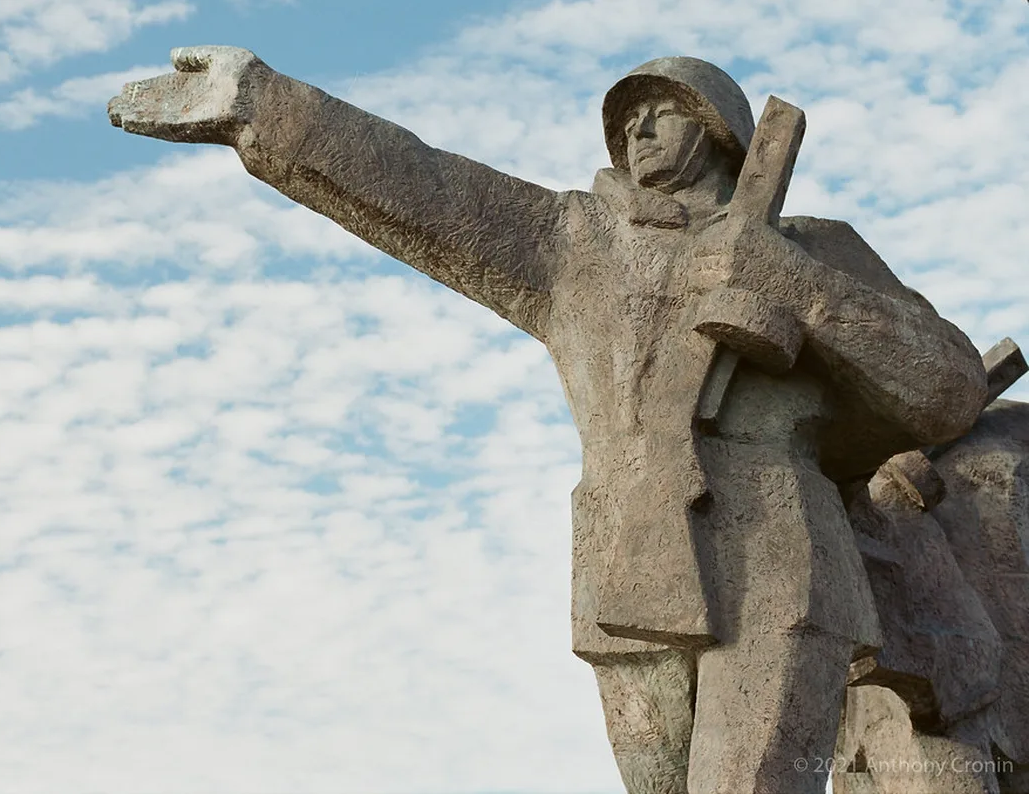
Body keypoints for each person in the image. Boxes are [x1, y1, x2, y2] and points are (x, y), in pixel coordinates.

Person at [109, 48, 987, 793]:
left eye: (662, 112)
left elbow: (948, 385)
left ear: (719, 131)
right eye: (627, 119)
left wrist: (788, 278)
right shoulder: (579, 242)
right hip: (626, 555)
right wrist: (261, 103)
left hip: (779, 556)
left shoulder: (815, 245)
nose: (637, 130)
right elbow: (425, 187)